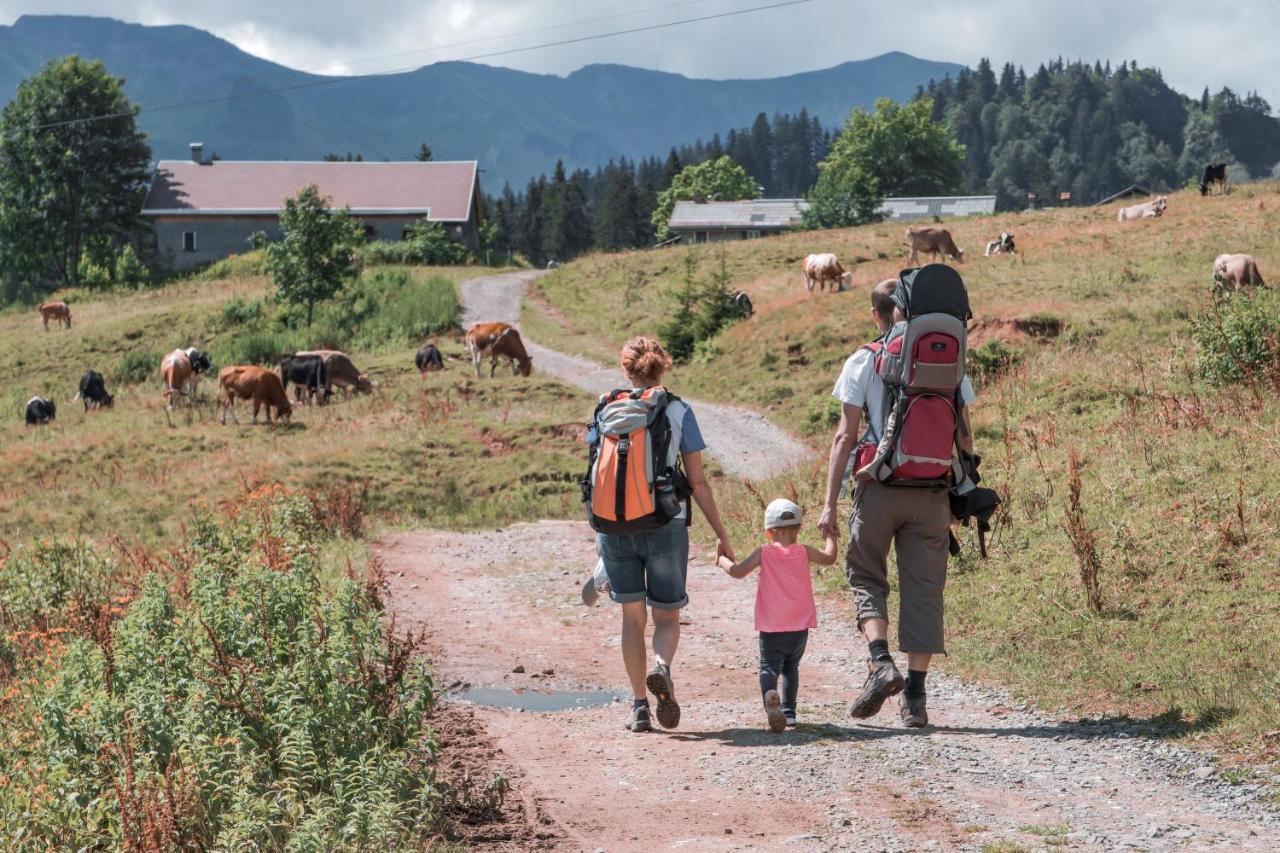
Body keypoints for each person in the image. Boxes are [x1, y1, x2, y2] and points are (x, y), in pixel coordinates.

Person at [817, 276, 976, 728]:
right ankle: (917, 698)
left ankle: (880, 660)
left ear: (877, 314)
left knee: (867, 574)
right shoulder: (950, 358)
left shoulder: (864, 359)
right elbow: (963, 433)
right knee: (924, 591)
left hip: (877, 485)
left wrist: (829, 504)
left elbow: (845, 436)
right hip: (932, 492)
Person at [594, 336, 735, 733]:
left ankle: (639, 707)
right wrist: (722, 534)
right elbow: (699, 482)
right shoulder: (677, 410)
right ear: (663, 367)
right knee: (667, 616)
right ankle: (662, 667)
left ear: (626, 369)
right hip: (665, 524)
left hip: (614, 526)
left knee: (631, 617)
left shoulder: (606, 407)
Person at [717, 498, 836, 731]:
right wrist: (830, 535)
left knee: (769, 668)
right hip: (800, 626)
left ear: (768, 532)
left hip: (772, 627)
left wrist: (721, 559)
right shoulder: (805, 551)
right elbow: (830, 557)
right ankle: (790, 713)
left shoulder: (764, 553)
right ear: (799, 528)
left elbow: (738, 571)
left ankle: (771, 697)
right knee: (791, 666)